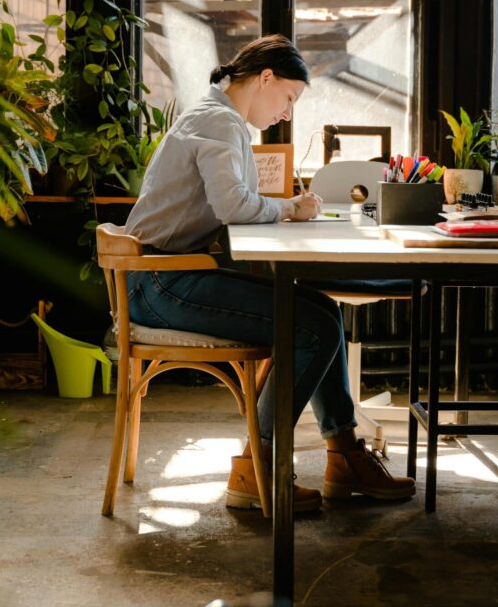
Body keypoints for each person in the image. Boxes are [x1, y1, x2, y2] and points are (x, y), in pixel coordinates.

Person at [124, 35, 416, 512]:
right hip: (162, 281)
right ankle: (257, 466)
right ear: (265, 78)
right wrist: (291, 209)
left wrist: (284, 210)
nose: (286, 112)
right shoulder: (220, 122)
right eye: (289, 98)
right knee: (315, 324)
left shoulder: (213, 116)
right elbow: (233, 205)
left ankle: (342, 456)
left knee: (320, 311)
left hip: (163, 274)